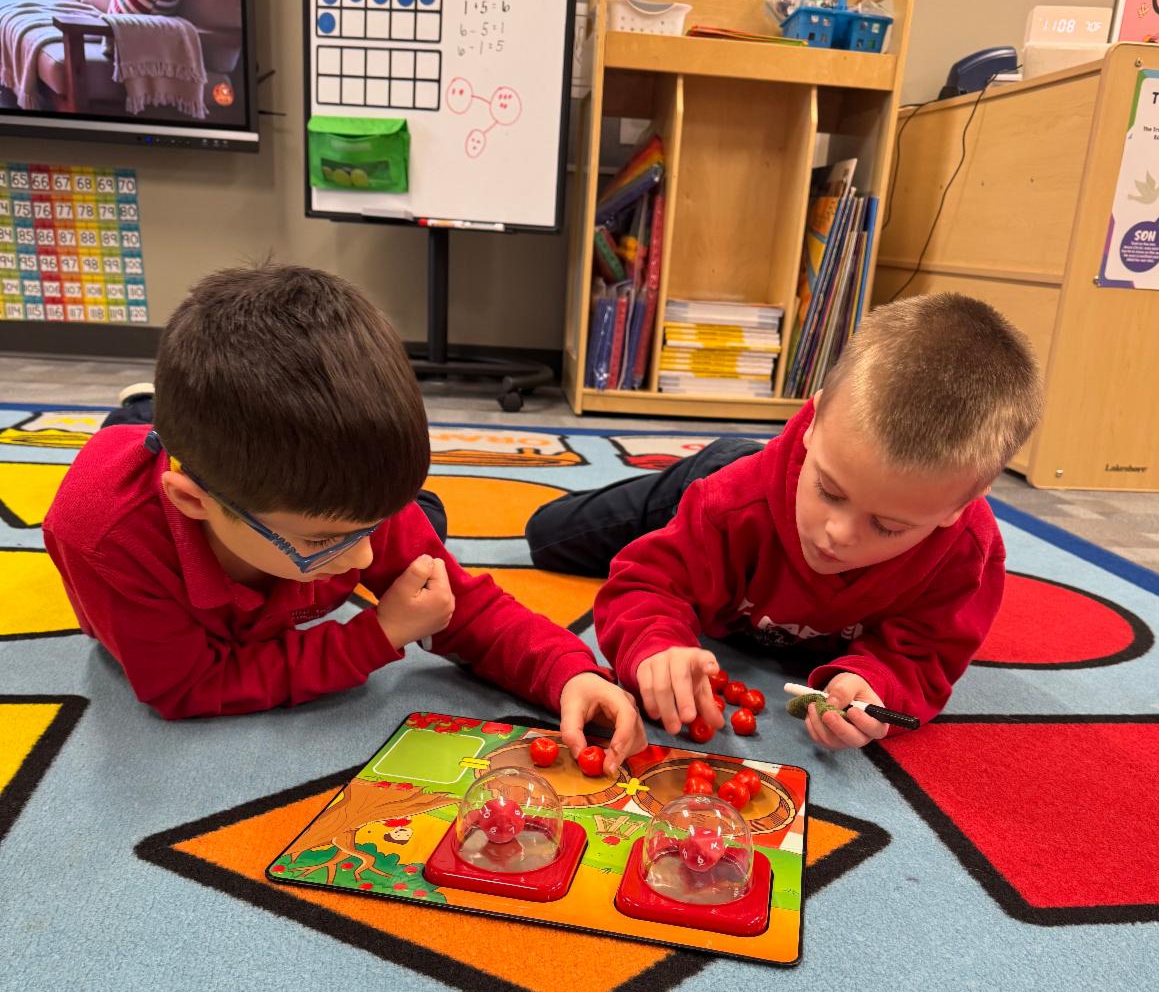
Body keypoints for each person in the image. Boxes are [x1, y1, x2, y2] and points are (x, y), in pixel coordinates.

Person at [44, 263, 643, 774]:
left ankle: (160, 415)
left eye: (372, 527)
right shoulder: (102, 537)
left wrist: (568, 672)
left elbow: (464, 607)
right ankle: (140, 410)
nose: (362, 559)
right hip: (132, 501)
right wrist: (376, 635)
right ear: (194, 502)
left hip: (246, 488)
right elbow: (189, 684)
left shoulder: (346, 502)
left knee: (424, 525)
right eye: (322, 540)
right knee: (143, 432)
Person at [526, 293, 1043, 751]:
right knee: (549, 538)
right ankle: (706, 468)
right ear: (813, 422)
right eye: (830, 491)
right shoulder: (730, 502)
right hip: (719, 484)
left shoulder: (966, 554)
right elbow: (646, 583)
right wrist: (656, 645)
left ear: (960, 506)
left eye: (888, 526)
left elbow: (925, 654)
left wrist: (875, 683)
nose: (839, 533)